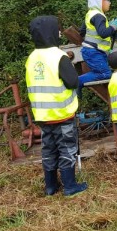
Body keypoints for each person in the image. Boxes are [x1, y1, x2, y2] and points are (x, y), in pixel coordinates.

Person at [25, 15, 87, 197]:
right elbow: (72, 82)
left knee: (49, 150)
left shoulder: (32, 58)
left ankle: (50, 187)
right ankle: (70, 186)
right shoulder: (58, 56)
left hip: (42, 116)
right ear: (51, 32)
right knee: (66, 148)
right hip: (61, 113)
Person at [78, 0, 117, 96]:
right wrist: (114, 26)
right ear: (99, 1)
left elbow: (82, 31)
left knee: (103, 73)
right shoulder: (99, 16)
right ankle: (78, 81)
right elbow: (103, 33)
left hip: (93, 51)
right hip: (94, 52)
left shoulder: (90, 13)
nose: (110, 3)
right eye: (108, 0)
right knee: (105, 74)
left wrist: (108, 28)